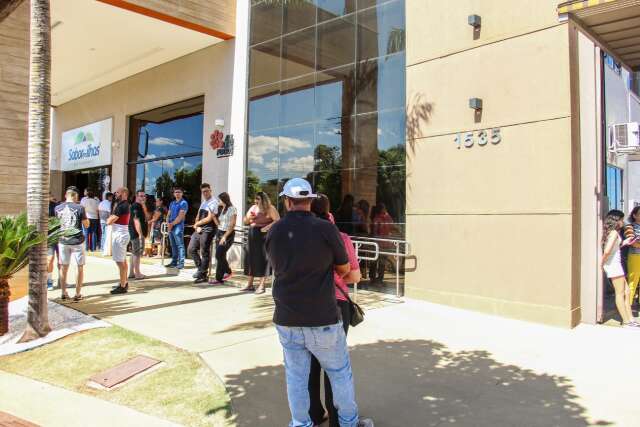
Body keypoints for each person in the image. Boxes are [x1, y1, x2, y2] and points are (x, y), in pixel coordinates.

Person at [265, 178, 373, 427]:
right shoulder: (326, 229)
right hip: (323, 317)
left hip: (287, 318)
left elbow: (276, 265)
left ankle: (301, 423)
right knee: (339, 375)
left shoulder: (274, 230)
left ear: (287, 200)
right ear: (310, 200)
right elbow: (345, 267)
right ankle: (347, 423)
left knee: (296, 378)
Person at [308, 193, 362, 427]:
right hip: (336, 304)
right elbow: (355, 276)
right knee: (335, 366)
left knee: (310, 365)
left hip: (306, 306)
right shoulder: (339, 237)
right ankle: (337, 419)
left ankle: (314, 414)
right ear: (330, 211)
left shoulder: (300, 239)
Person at [602, 209, 638, 328]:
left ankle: (630, 319)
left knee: (626, 292)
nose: (623, 222)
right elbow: (607, 251)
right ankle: (626, 322)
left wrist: (625, 243)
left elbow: (612, 249)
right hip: (614, 266)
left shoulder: (612, 232)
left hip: (616, 265)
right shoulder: (614, 233)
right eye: (622, 219)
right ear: (616, 220)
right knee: (620, 293)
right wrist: (601, 263)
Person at [55, 186, 89, 301]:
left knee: (64, 267)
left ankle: (63, 292)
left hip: (63, 240)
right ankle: (77, 293)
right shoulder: (80, 208)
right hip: (77, 241)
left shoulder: (57, 208)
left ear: (66, 195)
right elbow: (86, 225)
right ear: (75, 196)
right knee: (78, 267)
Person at [242, 191, 279, 294]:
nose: (255, 201)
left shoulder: (270, 208)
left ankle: (261, 285)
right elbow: (245, 220)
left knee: (262, 260)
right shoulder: (253, 208)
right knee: (250, 259)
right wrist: (250, 218)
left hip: (263, 237)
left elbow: (277, 220)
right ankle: (249, 284)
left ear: (263, 199)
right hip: (252, 236)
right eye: (255, 199)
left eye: (258, 199)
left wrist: (266, 228)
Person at [188, 183, 219, 283]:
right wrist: (196, 225)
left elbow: (209, 218)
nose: (205, 193)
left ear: (210, 190)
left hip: (208, 229)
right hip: (199, 229)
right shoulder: (204, 202)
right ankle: (201, 270)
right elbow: (198, 215)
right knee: (191, 249)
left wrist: (197, 224)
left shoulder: (214, 202)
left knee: (204, 251)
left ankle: (202, 274)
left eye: (206, 191)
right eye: (203, 192)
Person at [108, 187, 131, 294]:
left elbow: (110, 220)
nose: (115, 194)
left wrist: (109, 218)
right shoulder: (124, 204)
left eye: (118, 192)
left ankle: (122, 286)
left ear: (124, 193)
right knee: (123, 260)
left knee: (120, 262)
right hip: (123, 234)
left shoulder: (122, 205)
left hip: (120, 235)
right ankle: (124, 282)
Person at [212, 192, 237, 284]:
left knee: (218, 255)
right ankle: (219, 278)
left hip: (228, 234)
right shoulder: (223, 209)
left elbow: (232, 225)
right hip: (219, 232)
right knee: (220, 256)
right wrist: (214, 217)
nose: (219, 201)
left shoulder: (233, 209)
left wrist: (225, 237)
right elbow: (219, 224)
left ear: (224, 199)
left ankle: (228, 271)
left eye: (220, 200)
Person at [369, 203, 395, 284]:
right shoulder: (385, 218)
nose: (385, 210)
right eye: (384, 208)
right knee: (381, 261)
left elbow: (374, 231)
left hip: (378, 243)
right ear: (382, 209)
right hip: (384, 242)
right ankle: (379, 278)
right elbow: (392, 226)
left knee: (375, 260)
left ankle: (373, 277)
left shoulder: (377, 218)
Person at [166, 187, 188, 269]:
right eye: (176, 192)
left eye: (179, 192)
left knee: (180, 245)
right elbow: (168, 214)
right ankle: (174, 262)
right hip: (171, 225)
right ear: (174, 194)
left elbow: (181, 216)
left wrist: (172, 224)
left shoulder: (183, 203)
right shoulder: (172, 203)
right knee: (173, 245)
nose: (177, 193)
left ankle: (181, 263)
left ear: (182, 193)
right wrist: (168, 223)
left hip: (178, 226)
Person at [128, 190, 148, 280]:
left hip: (136, 233)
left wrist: (143, 205)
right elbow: (136, 221)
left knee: (134, 253)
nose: (143, 197)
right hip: (136, 233)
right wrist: (140, 235)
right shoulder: (136, 206)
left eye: (144, 196)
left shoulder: (140, 206)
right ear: (136, 196)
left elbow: (146, 217)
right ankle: (137, 274)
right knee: (137, 253)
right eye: (141, 196)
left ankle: (132, 272)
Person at [624, 206, 640, 316]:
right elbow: (632, 241)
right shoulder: (630, 226)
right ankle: (627, 305)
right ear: (634, 215)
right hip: (635, 256)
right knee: (633, 280)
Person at [47, 192, 60, 290]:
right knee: (50, 258)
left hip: (59, 235)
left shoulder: (56, 206)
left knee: (61, 259)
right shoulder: (40, 206)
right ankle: (49, 280)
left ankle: (61, 279)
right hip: (49, 237)